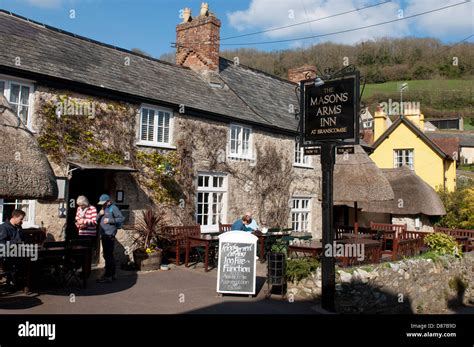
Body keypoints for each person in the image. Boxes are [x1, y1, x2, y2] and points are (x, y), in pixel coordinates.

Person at [96, 194, 124, 283]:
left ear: (109, 201)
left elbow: (121, 219)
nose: (102, 204)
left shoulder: (113, 208)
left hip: (109, 235)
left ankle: (108, 276)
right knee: (107, 255)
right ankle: (112, 274)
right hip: (104, 235)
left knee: (108, 255)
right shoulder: (103, 209)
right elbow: (96, 220)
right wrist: (99, 214)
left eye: (104, 203)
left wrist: (109, 220)